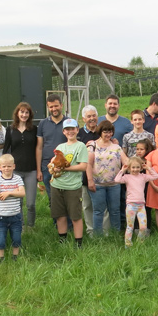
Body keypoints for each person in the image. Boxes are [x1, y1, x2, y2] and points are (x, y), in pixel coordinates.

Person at [51, 118, 88, 248]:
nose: (70, 131)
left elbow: (83, 166)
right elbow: (52, 162)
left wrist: (64, 168)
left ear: (77, 130)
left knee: (75, 216)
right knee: (60, 215)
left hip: (73, 187)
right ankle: (63, 240)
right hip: (57, 185)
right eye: (67, 129)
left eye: (73, 129)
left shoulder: (81, 146)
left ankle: (78, 243)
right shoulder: (60, 147)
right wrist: (53, 167)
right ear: (63, 132)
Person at [87, 120, 128, 236]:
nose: (108, 134)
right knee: (98, 211)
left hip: (114, 184)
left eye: (110, 132)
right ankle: (97, 236)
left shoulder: (116, 147)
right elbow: (88, 164)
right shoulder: (92, 145)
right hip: (97, 184)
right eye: (105, 131)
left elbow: (125, 161)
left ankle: (115, 234)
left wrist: (137, 163)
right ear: (100, 131)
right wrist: (90, 181)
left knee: (115, 210)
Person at [2, 102, 38, 229]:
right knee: (18, 201)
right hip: (15, 171)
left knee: (31, 203)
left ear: (30, 114)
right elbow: (6, 150)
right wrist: (4, 169)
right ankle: (20, 225)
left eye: (26, 112)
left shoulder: (34, 129)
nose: (24, 114)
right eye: (22, 112)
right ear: (17, 113)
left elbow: (38, 149)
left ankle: (31, 226)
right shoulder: (10, 130)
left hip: (31, 170)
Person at [114, 157, 158, 247]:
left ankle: (140, 242)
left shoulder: (143, 177)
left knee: (143, 227)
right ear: (129, 168)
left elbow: (156, 176)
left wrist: (149, 168)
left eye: (138, 167)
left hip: (141, 206)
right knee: (130, 227)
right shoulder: (127, 177)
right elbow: (117, 180)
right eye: (133, 167)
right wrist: (122, 170)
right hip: (131, 205)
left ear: (141, 168)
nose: (135, 169)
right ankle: (128, 244)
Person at [36, 93, 69, 201]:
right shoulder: (43, 124)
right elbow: (39, 147)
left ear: (61, 105)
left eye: (56, 106)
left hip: (65, 166)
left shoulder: (68, 122)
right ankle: (56, 218)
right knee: (52, 199)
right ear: (48, 107)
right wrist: (39, 169)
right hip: (47, 167)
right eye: (51, 107)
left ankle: (67, 218)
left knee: (66, 198)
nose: (54, 109)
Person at [0, 154, 26, 262]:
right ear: (0, 167)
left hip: (15, 215)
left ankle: (15, 257)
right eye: (4, 166)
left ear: (14, 166)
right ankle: (1, 258)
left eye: (9, 166)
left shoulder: (18, 178)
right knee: (0, 239)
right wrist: (14, 192)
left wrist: (8, 193)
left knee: (16, 238)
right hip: (1, 216)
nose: (6, 168)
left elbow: (22, 193)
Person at [77, 105, 100, 236]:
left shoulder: (102, 131)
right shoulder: (79, 134)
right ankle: (91, 230)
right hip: (85, 176)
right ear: (83, 119)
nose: (92, 119)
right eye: (89, 116)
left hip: (102, 175)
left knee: (102, 205)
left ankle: (103, 230)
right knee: (87, 205)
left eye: (93, 116)